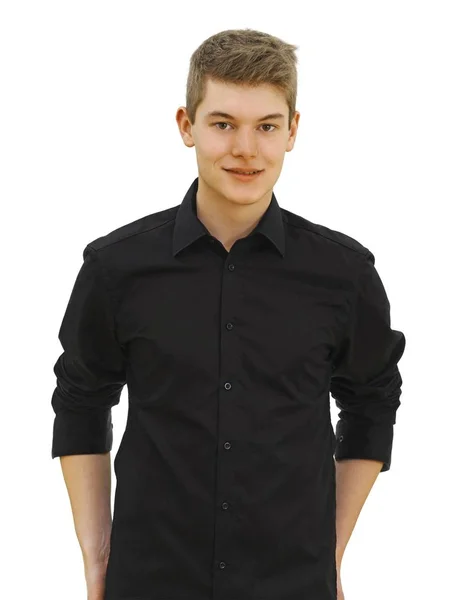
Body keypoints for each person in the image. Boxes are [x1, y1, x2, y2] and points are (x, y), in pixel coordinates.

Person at [50, 28, 406, 600]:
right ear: (186, 125)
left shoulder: (344, 274)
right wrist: (97, 557)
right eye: (223, 124)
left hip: (293, 582)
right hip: (151, 580)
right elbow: (80, 399)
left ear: (293, 131)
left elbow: (373, 400)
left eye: (266, 126)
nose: (246, 149)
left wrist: (329, 547)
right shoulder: (116, 267)